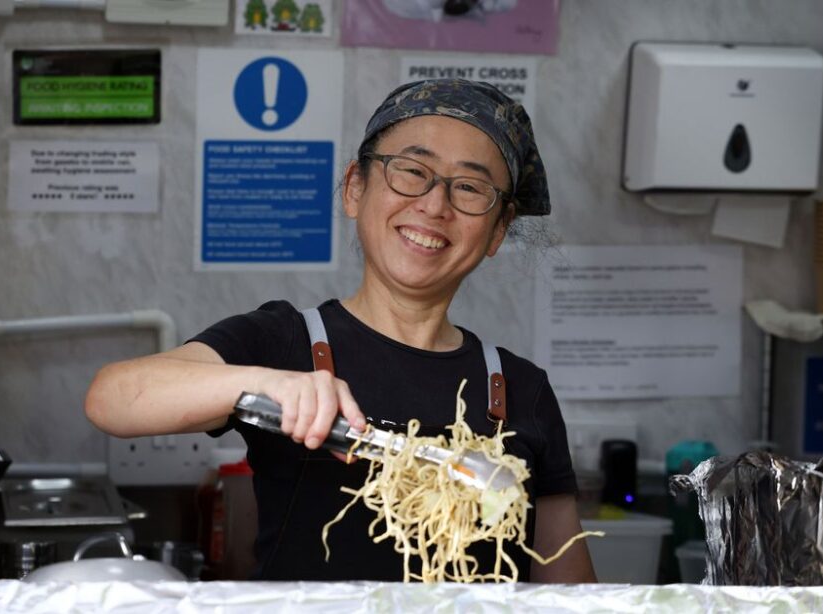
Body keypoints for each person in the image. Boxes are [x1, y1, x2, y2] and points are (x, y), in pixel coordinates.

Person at [85, 78, 595, 583]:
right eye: (411, 171)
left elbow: (570, 594)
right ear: (356, 188)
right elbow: (113, 398)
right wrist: (269, 384)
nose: (435, 206)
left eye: (469, 187)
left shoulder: (521, 388)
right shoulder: (285, 341)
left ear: (497, 230)